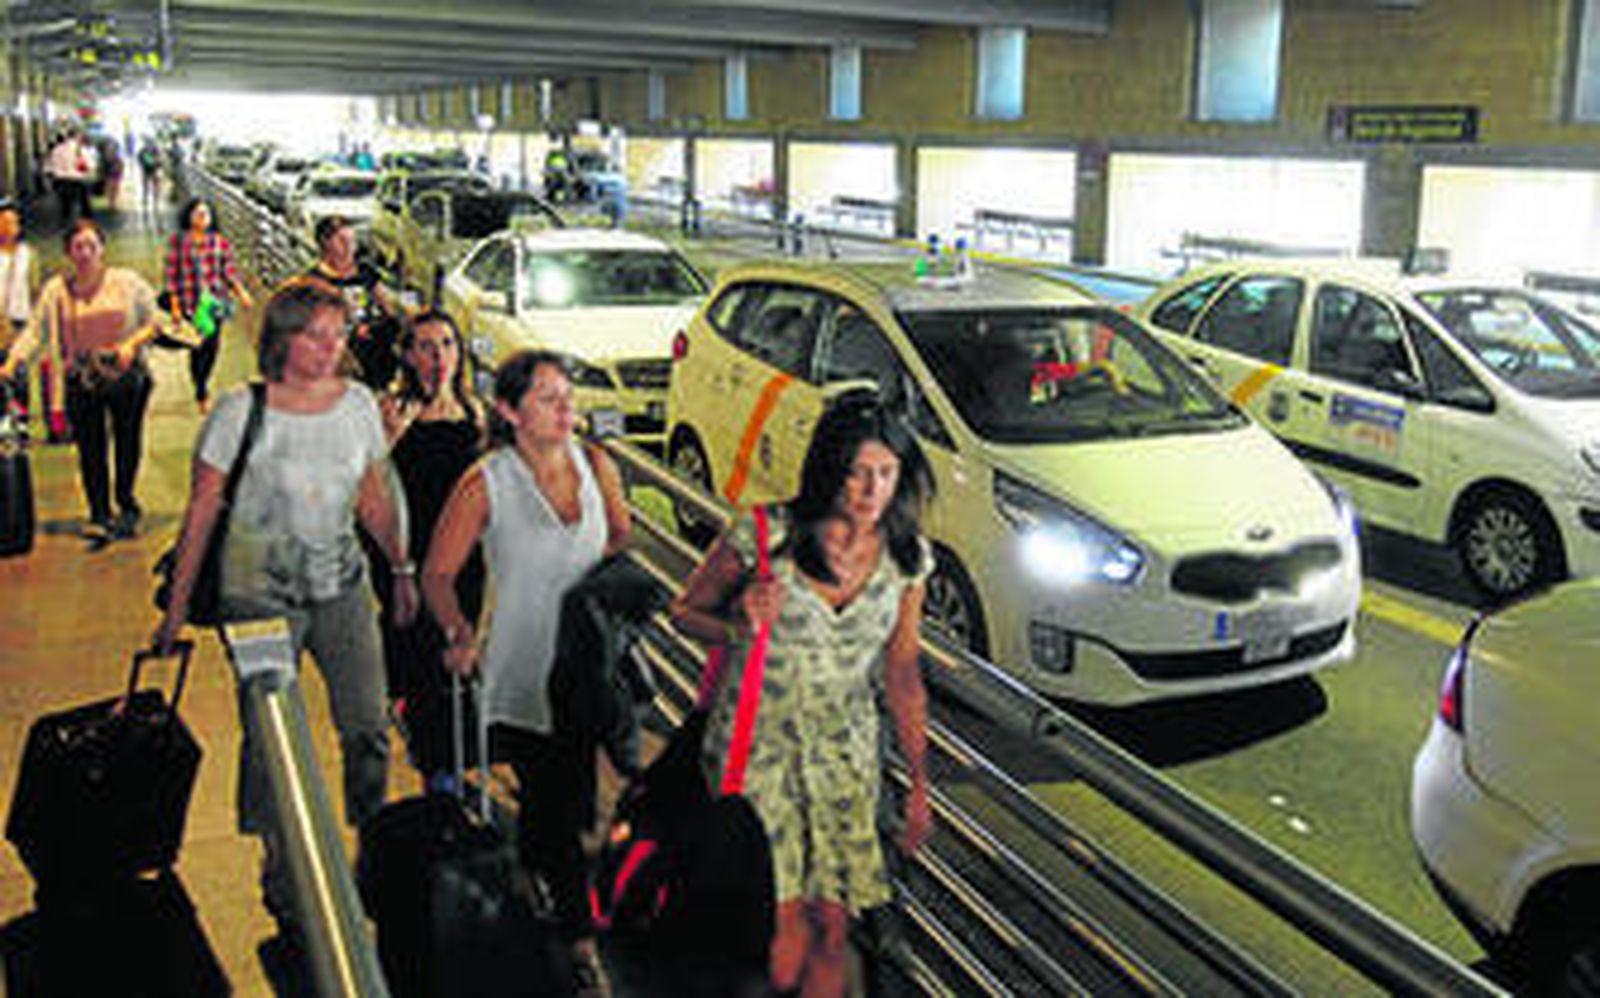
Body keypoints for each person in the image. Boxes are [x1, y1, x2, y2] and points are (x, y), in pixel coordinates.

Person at [152, 277, 418, 942]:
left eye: (338, 333)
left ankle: (371, 845)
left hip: (342, 586)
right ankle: (281, 865)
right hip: (258, 598)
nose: (331, 347)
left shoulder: (358, 404)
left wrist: (404, 569)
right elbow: (202, 510)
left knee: (367, 725)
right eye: (315, 334)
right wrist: (176, 609)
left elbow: (373, 495)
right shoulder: (239, 413)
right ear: (281, 340)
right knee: (274, 738)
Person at [669, 395, 935, 998]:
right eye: (857, 472)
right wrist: (737, 623)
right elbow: (685, 613)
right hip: (758, 754)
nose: (872, 491)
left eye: (886, 474)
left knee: (833, 927)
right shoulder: (766, 535)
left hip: (845, 759)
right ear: (828, 469)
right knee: (779, 934)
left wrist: (919, 782)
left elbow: (902, 671)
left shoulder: (907, 558)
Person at [422, 350, 630, 998]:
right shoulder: (488, 482)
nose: (567, 408)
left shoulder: (598, 465)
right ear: (510, 411)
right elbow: (438, 574)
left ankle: (543, 874)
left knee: (566, 801)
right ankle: (577, 939)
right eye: (547, 398)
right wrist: (459, 633)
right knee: (560, 798)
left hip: (594, 667)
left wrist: (597, 598)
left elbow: (620, 538)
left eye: (568, 394)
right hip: (525, 669)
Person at [372, 308, 485, 781]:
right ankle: (438, 770)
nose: (438, 356)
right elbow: (368, 493)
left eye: (447, 345)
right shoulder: (392, 412)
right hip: (410, 556)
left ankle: (453, 761)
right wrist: (389, 443)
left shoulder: (476, 414)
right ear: (408, 356)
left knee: (457, 658)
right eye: (425, 346)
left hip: (465, 561)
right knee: (422, 661)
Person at [1, 219, 160, 543]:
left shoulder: (126, 282)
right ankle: (99, 513)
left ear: (102, 248)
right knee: (91, 450)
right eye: (78, 247)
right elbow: (36, 331)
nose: (85, 253)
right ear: (68, 253)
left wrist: (131, 344)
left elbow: (156, 319)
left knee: (127, 444)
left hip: (126, 379)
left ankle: (126, 504)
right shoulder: (56, 290)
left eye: (91, 246)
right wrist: (13, 361)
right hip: (80, 381)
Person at [163, 197, 254, 413]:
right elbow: (171, 278)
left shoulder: (219, 243)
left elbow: (228, 272)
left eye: (206, 214)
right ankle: (201, 388)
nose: (202, 218)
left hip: (215, 305)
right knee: (198, 346)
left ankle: (202, 381)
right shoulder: (178, 243)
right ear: (189, 217)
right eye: (198, 214)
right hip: (190, 304)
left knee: (212, 347)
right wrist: (175, 307)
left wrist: (241, 292)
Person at [307, 215, 397, 391]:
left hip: (374, 342)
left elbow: (386, 305)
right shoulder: (316, 280)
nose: (349, 247)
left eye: (351, 241)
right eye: (341, 241)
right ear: (325, 244)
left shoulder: (365, 271)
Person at [0, 200, 37, 417]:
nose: (7, 228)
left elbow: (35, 288)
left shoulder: (28, 255)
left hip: (19, 323)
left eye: (11, 223)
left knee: (19, 376)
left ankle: (20, 423)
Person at [46, 130, 98, 222]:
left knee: (65, 205)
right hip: (78, 180)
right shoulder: (80, 149)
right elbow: (90, 165)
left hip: (61, 180)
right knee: (84, 205)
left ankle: (65, 222)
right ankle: (86, 223)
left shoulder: (56, 149)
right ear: (77, 137)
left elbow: (50, 167)